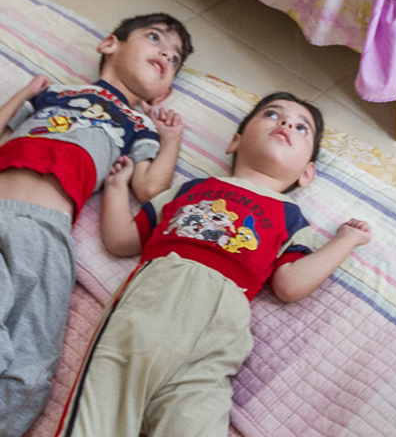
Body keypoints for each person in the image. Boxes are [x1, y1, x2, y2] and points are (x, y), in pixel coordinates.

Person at [0, 14, 192, 437]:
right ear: (109, 44)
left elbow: (149, 186)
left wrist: (170, 140)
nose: (163, 54)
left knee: (30, 376)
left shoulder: (138, 125)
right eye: (154, 38)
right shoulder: (57, 94)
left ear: (165, 91)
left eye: (173, 59)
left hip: (48, 237)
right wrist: (23, 95)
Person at [55, 91, 371, 437]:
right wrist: (116, 187)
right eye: (272, 114)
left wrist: (344, 241)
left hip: (216, 342)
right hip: (152, 305)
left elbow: (290, 284)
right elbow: (120, 240)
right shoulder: (191, 189)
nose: (285, 123)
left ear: (307, 173)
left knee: (197, 422)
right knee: (100, 409)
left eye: (301, 127)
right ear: (235, 141)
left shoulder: (293, 219)